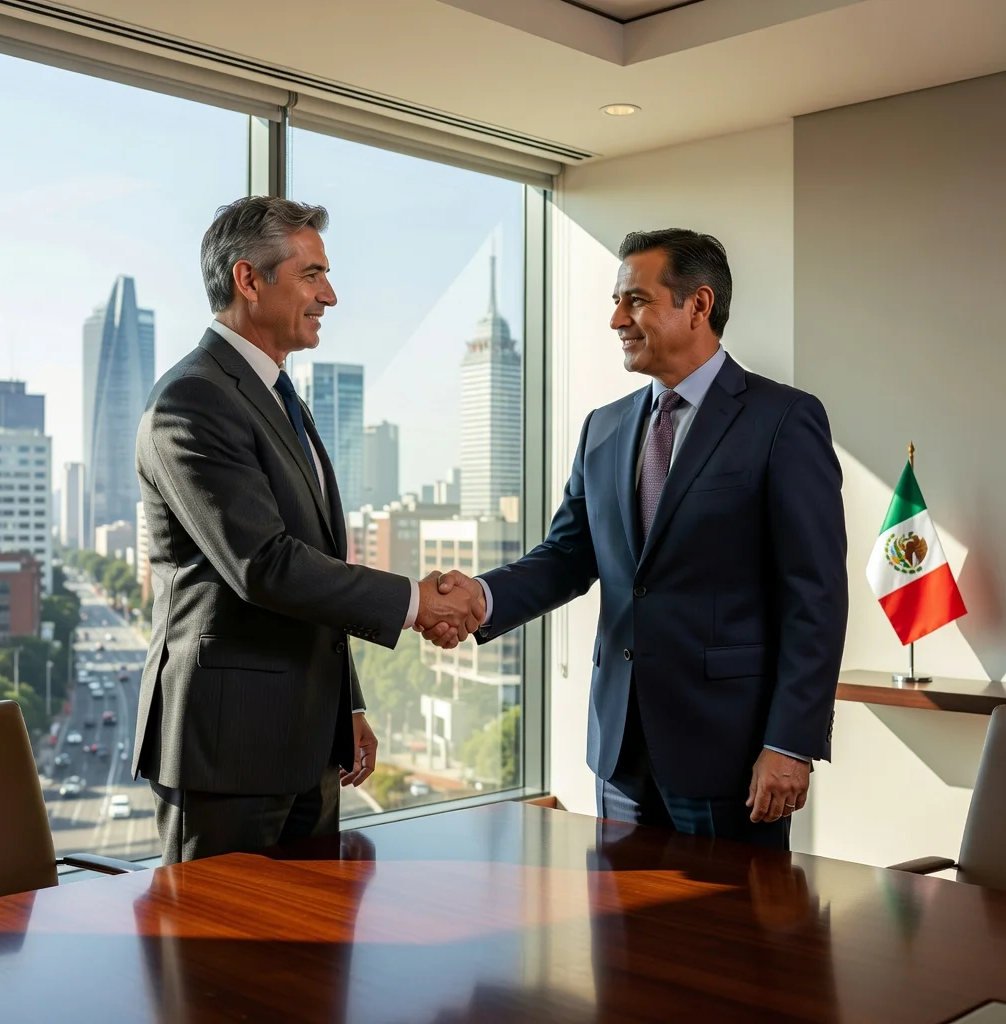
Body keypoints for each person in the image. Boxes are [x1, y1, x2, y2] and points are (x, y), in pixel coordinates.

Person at [425, 229, 848, 849]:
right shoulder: (605, 427)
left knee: (729, 939)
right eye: (617, 301)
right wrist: (481, 597)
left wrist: (789, 743)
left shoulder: (783, 420)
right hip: (620, 751)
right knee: (620, 941)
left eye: (637, 301)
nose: (617, 318)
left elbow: (815, 596)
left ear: (698, 305)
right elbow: (567, 556)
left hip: (731, 756)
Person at [132, 196, 482, 864]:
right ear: (248, 279)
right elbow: (264, 565)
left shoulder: (278, 396)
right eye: (313, 275)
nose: (332, 295)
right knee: (222, 958)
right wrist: (417, 602)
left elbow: (315, 562)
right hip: (225, 750)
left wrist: (345, 705)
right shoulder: (192, 400)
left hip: (309, 745)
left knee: (314, 960)